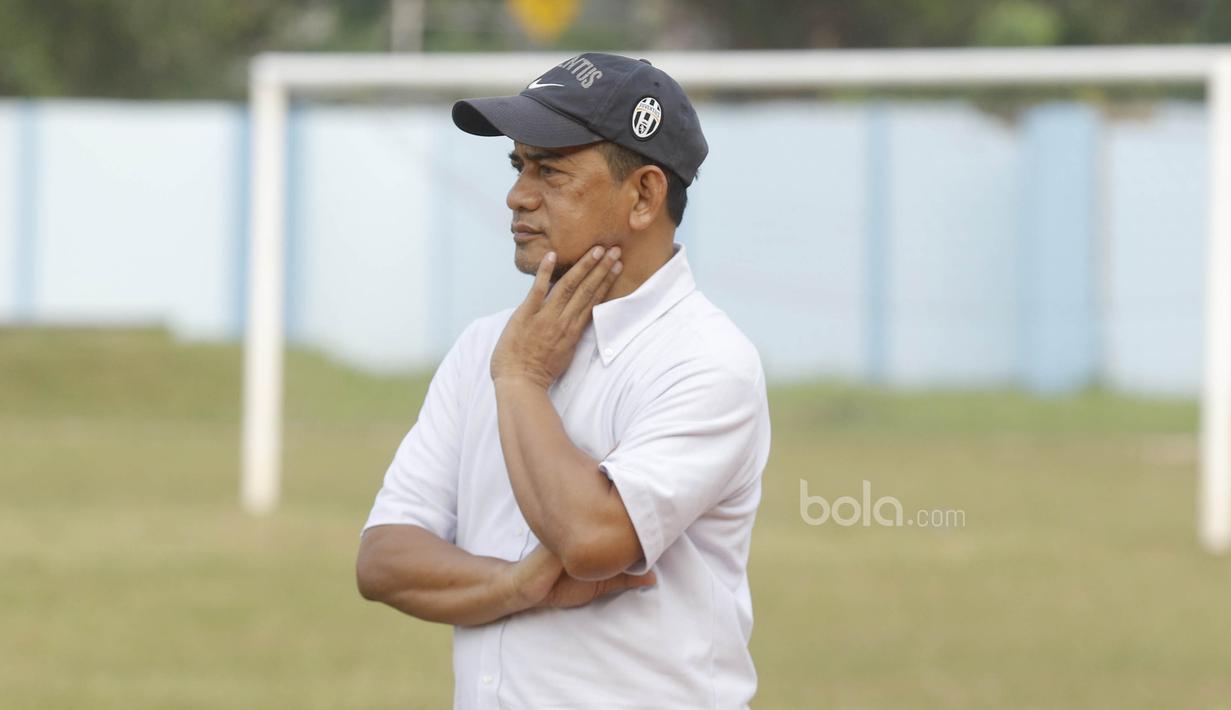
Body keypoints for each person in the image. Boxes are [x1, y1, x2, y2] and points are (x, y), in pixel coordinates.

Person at [356, 52, 771, 709]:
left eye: (549, 169)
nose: (518, 194)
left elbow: (590, 539)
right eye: (518, 165)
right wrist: (517, 586)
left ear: (643, 196)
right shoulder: (482, 347)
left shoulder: (706, 360)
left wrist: (520, 381)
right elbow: (383, 559)